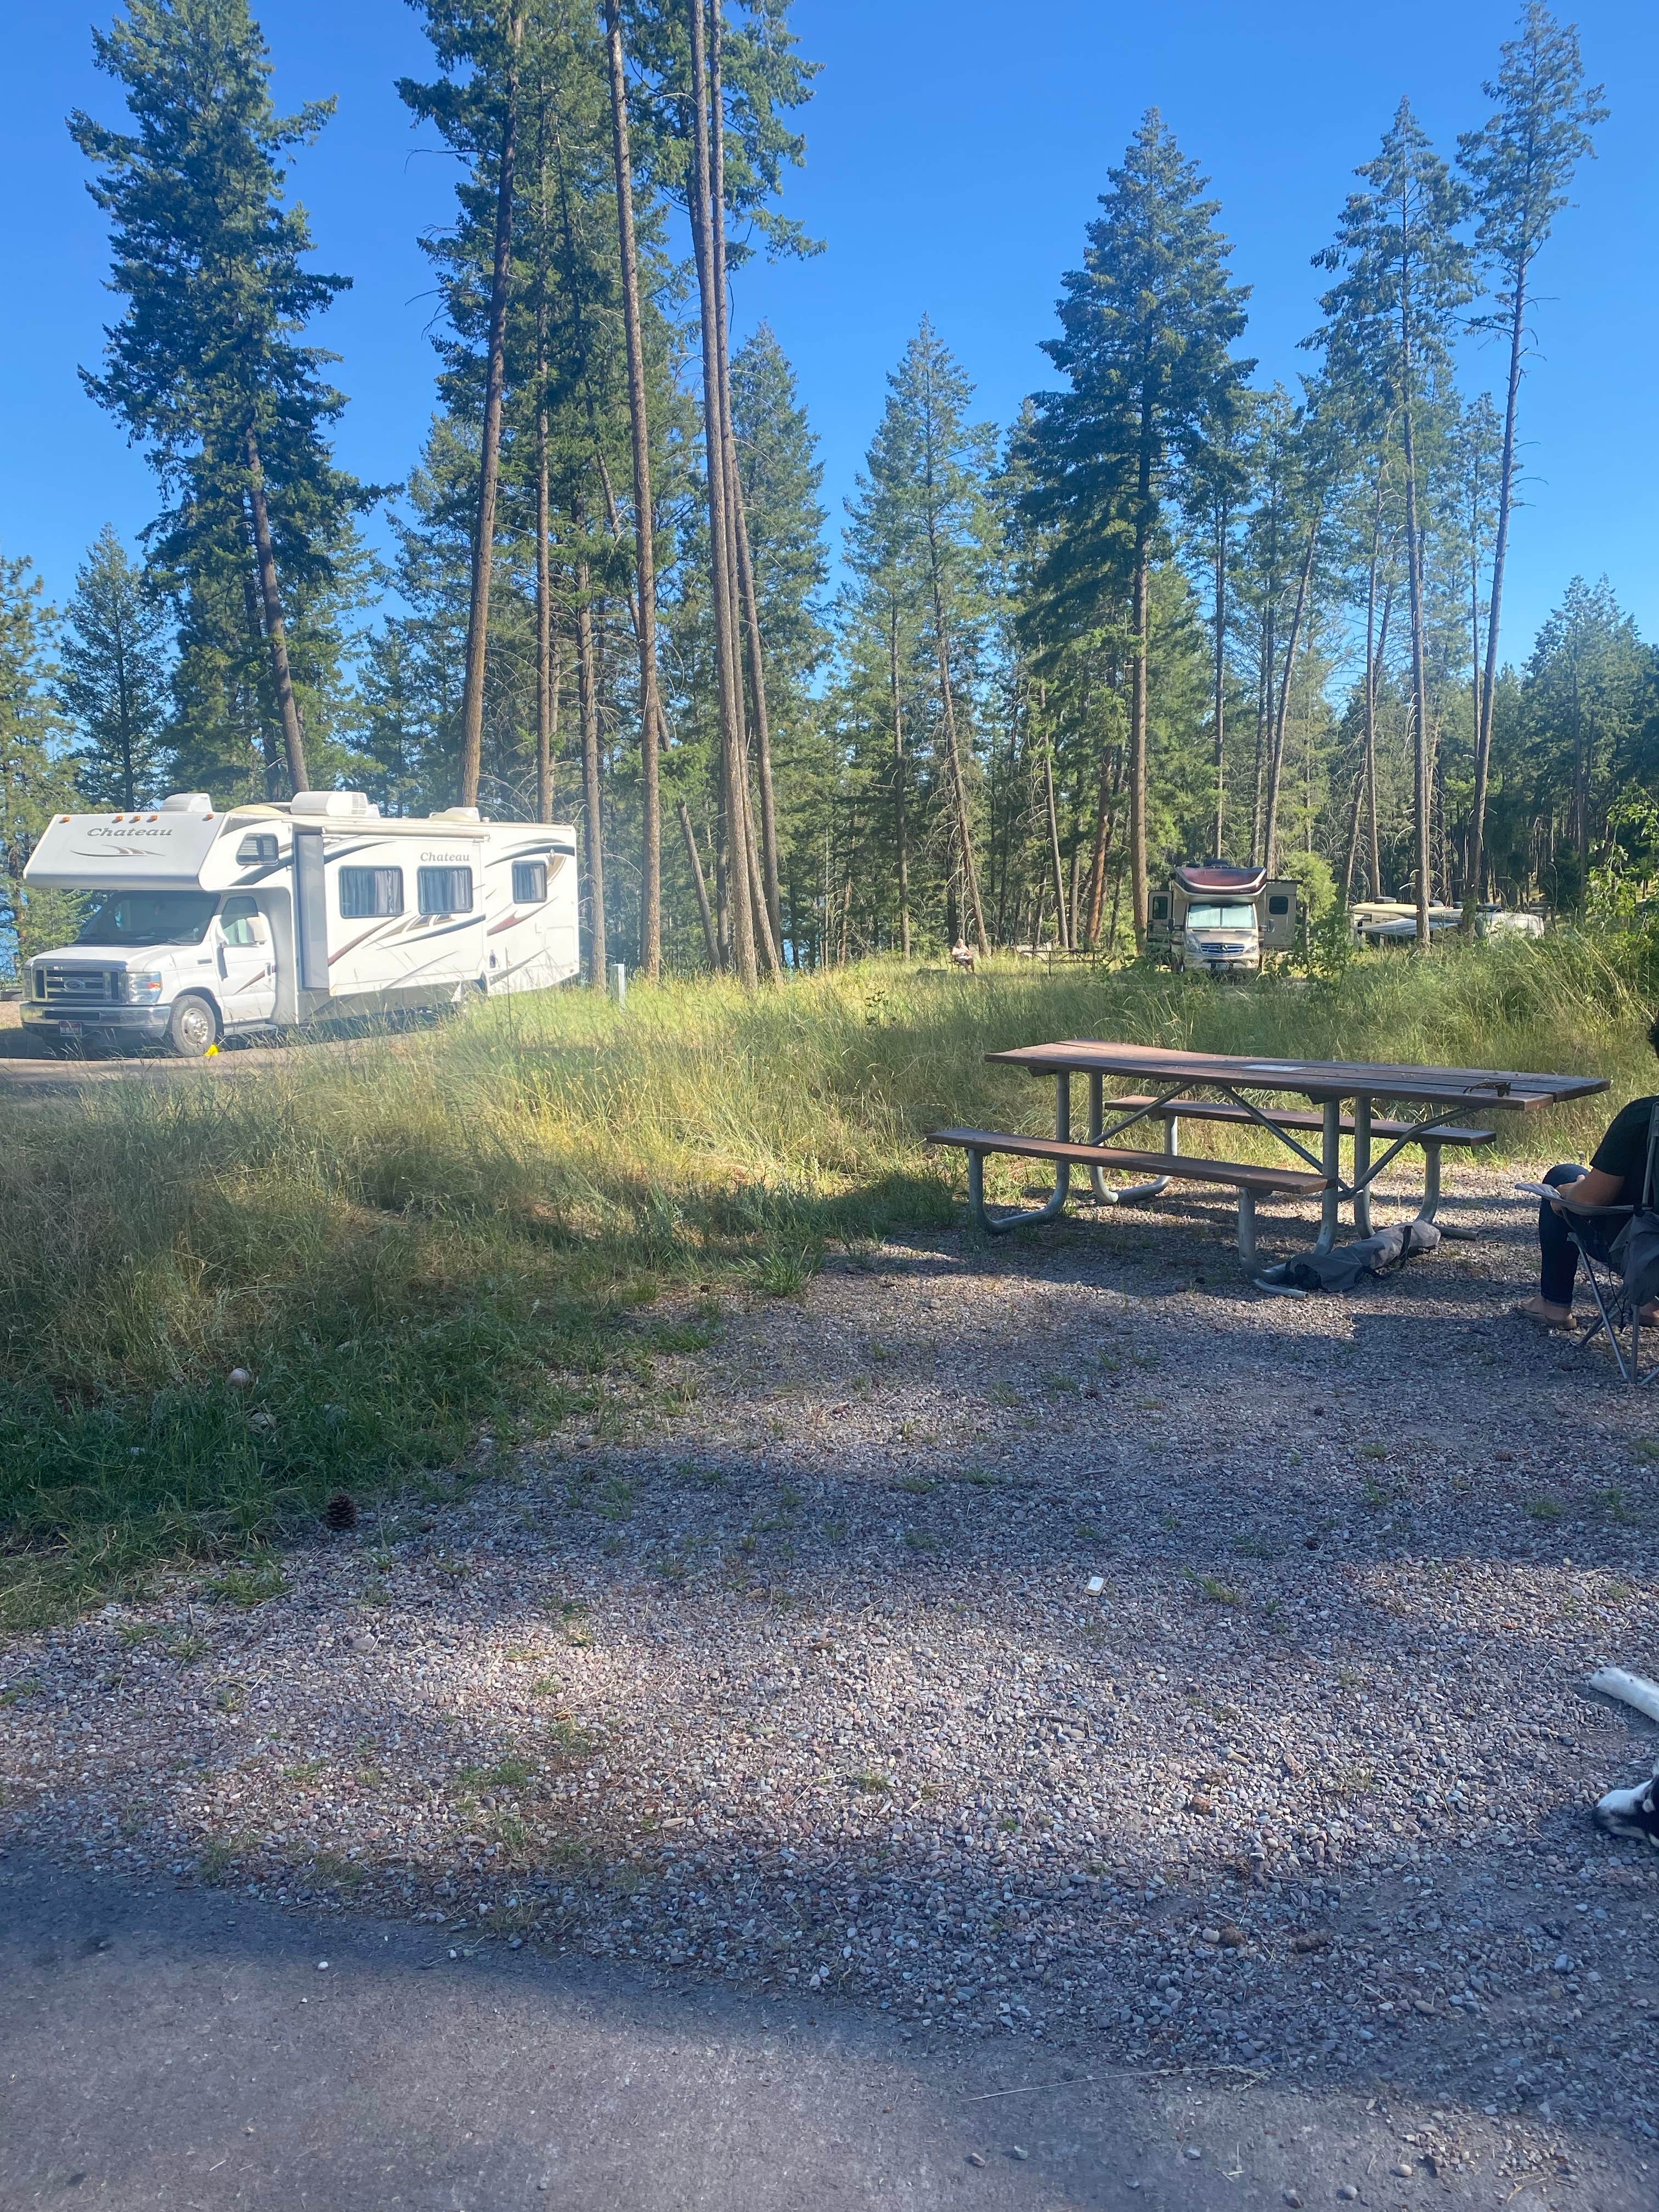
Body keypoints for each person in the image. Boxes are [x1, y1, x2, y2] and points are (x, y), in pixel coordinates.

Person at [1516, 1018, 1659, 1328]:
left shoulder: (1644, 1116)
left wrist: (1566, 1194)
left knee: (1562, 1176)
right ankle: (1648, 1302)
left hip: (1647, 1253)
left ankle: (1553, 1306)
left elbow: (1592, 1201)